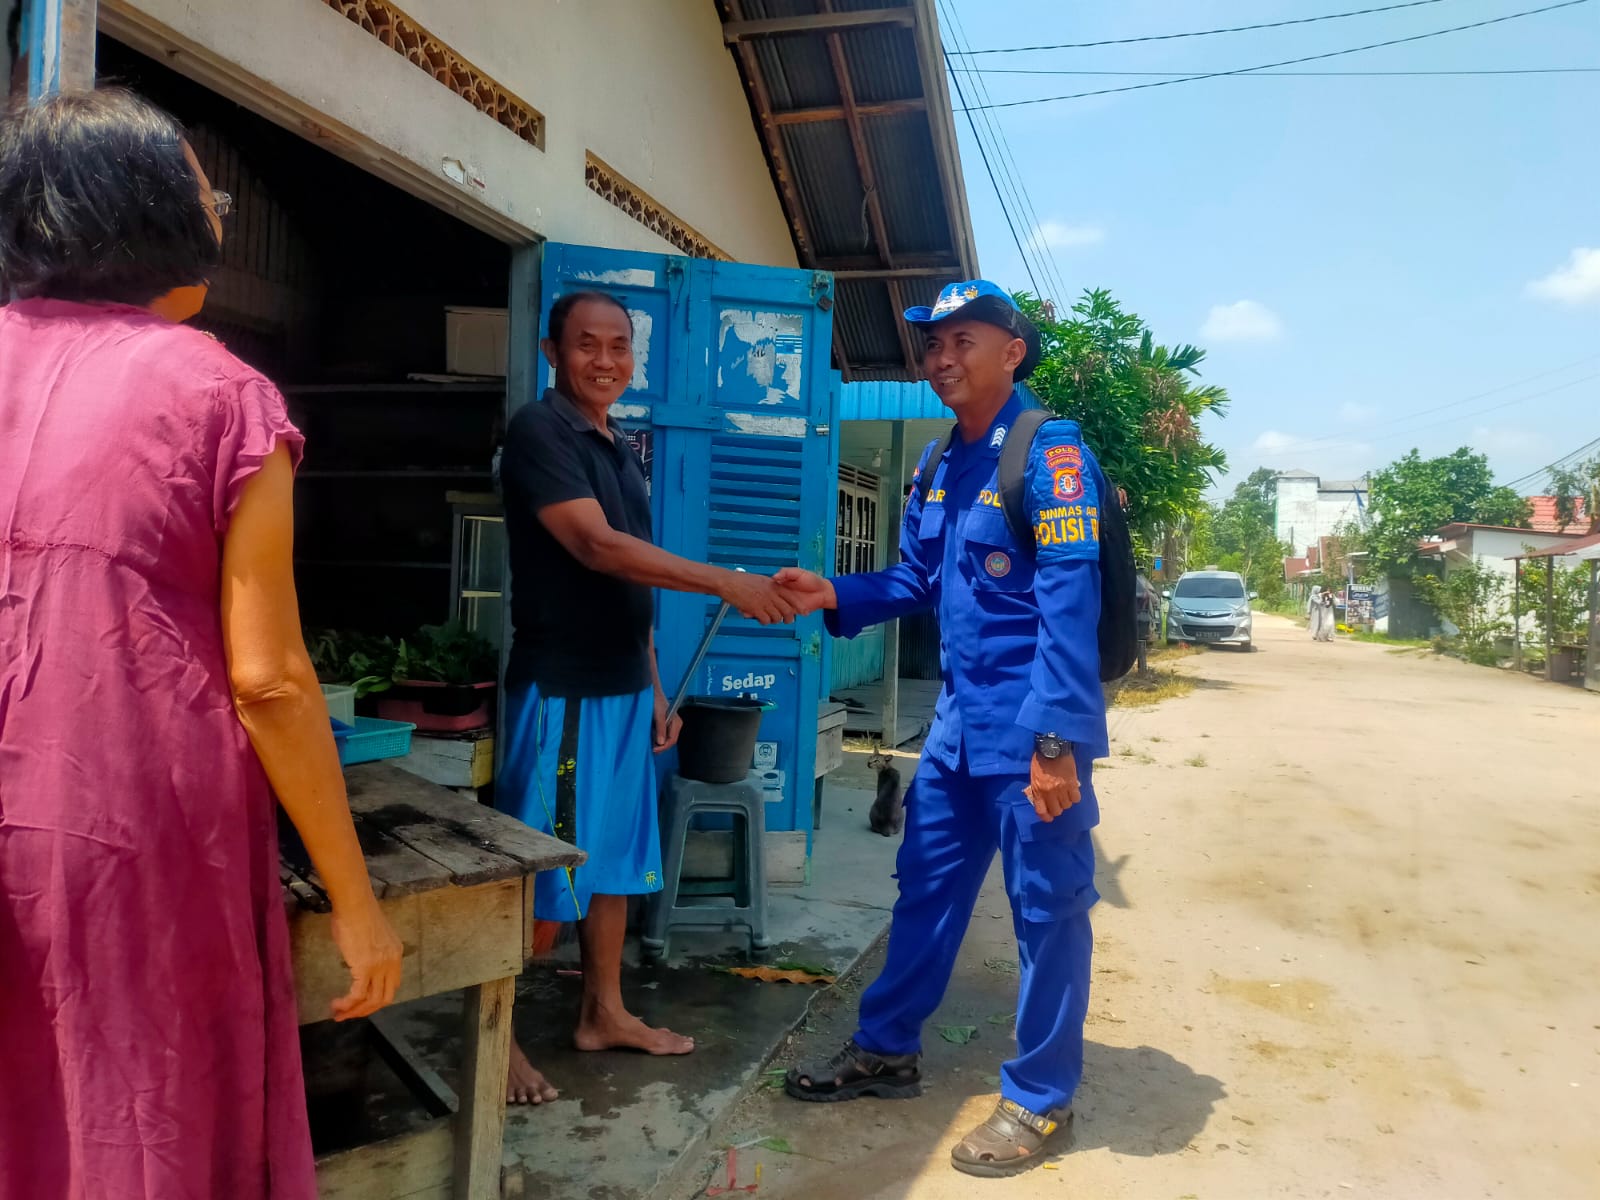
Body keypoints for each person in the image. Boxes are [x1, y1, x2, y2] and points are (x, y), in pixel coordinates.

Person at [0, 90, 403, 1200]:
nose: (217, 211)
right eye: (204, 189)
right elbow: (270, 678)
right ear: (147, 212)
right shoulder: (223, 394)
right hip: (132, 829)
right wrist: (356, 903)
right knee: (145, 1110)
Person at [774, 280, 1108, 1177]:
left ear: (1013, 351)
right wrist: (836, 592)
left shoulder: (1051, 454)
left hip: (1032, 733)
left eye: (964, 339)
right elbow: (918, 580)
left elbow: (1070, 603)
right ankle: (886, 1049)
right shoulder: (935, 462)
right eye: (933, 345)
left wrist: (1055, 743)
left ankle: (1040, 1100)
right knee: (923, 892)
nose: (942, 358)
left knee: (1048, 912)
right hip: (958, 732)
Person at [496, 290, 797, 1104]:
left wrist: (659, 691)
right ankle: (491, 1042)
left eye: (619, 346)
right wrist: (726, 581)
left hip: (625, 693)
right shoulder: (539, 432)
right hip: (565, 695)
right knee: (542, 876)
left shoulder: (619, 444)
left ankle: (605, 1012)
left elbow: (632, 588)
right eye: (587, 344)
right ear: (553, 350)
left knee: (620, 868)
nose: (605, 360)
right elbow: (597, 548)